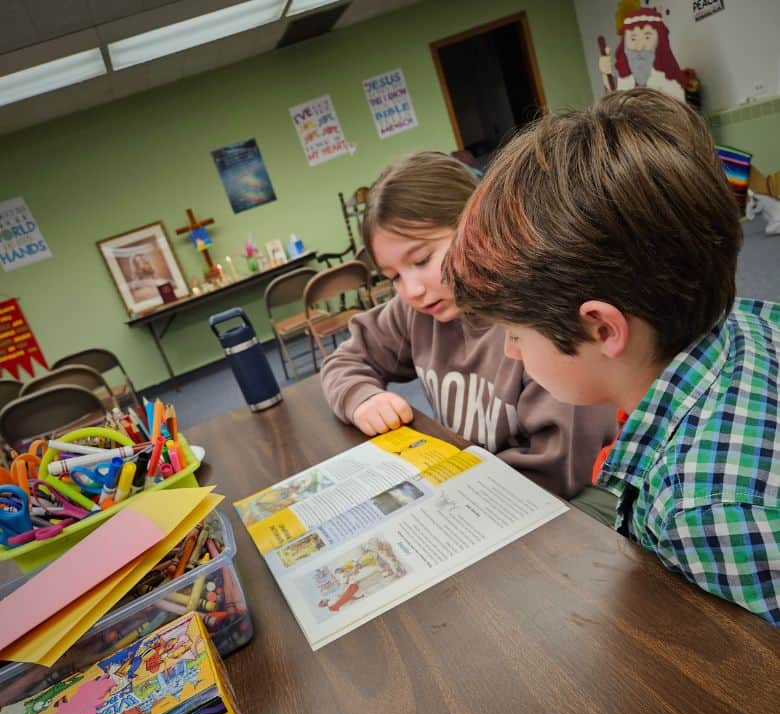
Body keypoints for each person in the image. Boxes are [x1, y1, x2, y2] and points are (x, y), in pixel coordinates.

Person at [444, 88, 779, 626]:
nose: (509, 350)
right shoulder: (743, 316)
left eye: (515, 333)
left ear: (602, 328)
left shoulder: (702, 512)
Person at [319, 151, 616, 499]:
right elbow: (346, 360)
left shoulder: (532, 318)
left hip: (560, 502)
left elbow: (559, 467)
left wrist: (461, 491)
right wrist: (362, 398)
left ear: (475, 226)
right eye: (393, 276)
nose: (411, 290)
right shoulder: (417, 310)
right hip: (475, 487)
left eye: (422, 259)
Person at [599, 7, 686, 101]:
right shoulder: (622, 83)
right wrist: (605, 73)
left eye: (647, 38)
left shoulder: (671, 85)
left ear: (660, 43)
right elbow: (612, 105)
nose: (639, 47)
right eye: (633, 39)